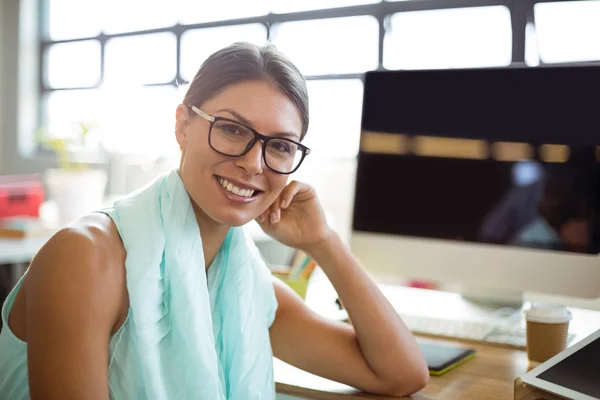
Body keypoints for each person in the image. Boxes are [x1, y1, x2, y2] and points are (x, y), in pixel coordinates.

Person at [0, 42, 428, 399]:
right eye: (232, 130)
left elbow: (401, 374)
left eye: (279, 146)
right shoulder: (85, 256)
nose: (252, 163)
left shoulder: (239, 283)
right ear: (183, 125)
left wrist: (323, 241)